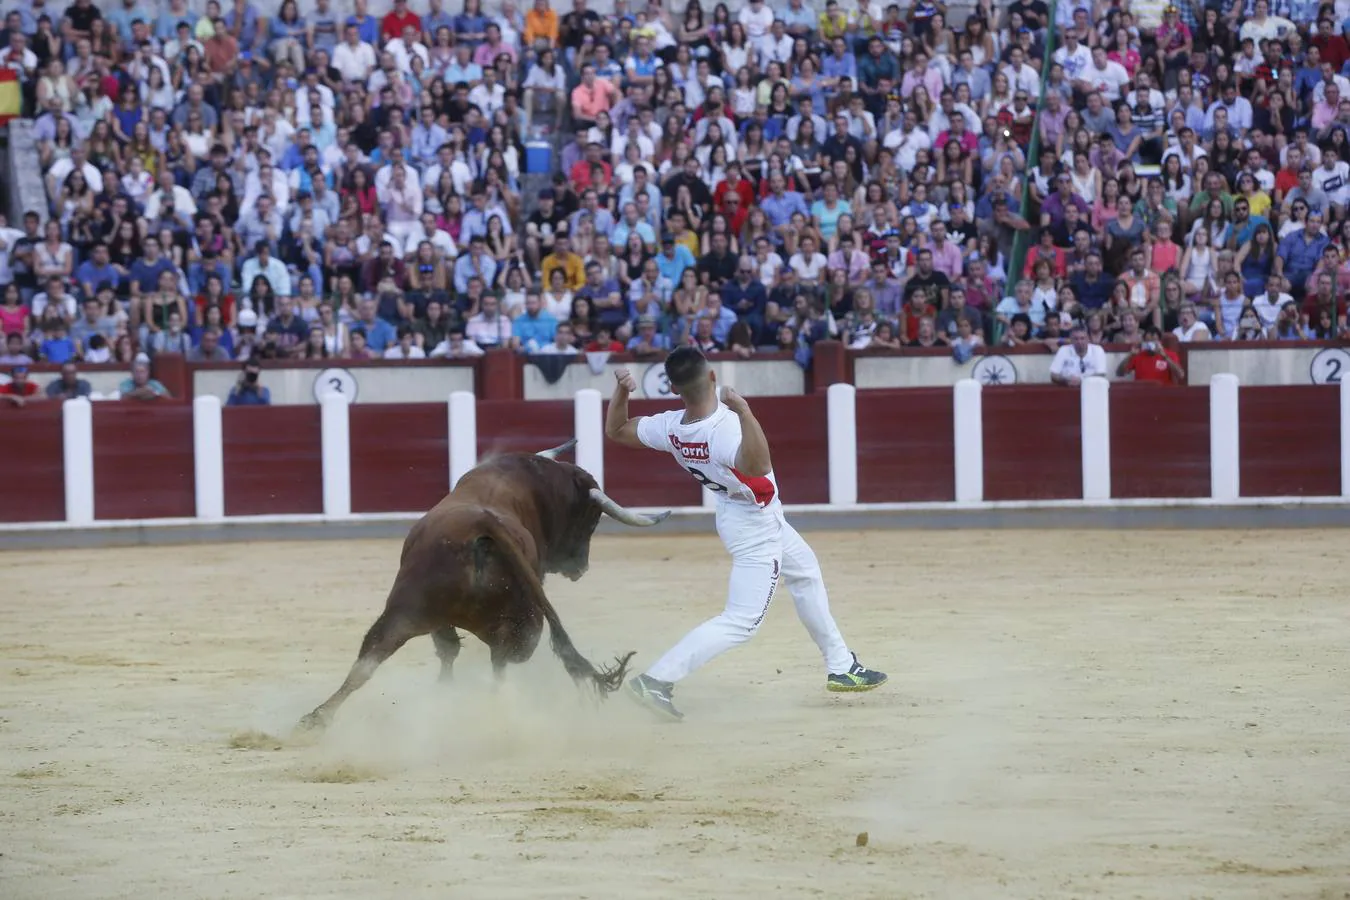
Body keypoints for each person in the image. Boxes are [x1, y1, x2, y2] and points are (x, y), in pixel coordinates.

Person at [603, 347, 886, 720]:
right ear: (713, 378)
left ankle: (842, 665)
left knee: (805, 572)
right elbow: (757, 464)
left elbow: (617, 430)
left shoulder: (671, 426)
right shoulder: (724, 429)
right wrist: (745, 411)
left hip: (745, 514)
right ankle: (656, 679)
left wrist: (622, 390)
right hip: (755, 524)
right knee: (741, 622)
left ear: (673, 388)